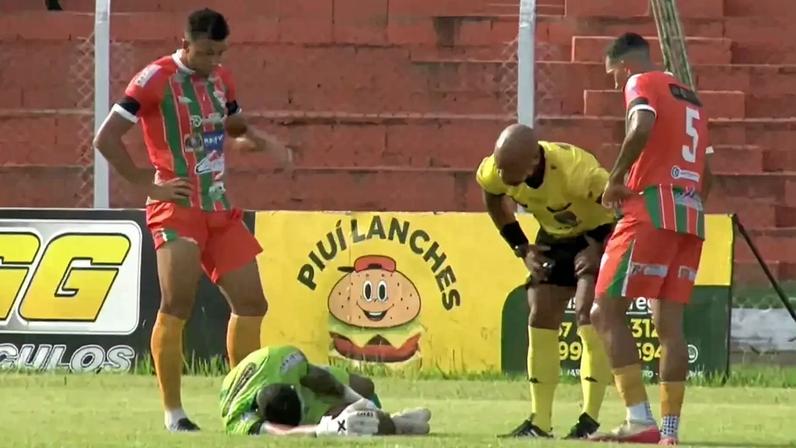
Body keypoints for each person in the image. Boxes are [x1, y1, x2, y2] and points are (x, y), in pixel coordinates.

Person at [93, 9, 292, 432]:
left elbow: (231, 132)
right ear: (184, 44)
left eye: (220, 52)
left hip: (219, 207)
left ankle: (244, 405)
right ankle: (174, 413)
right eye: (205, 52)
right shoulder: (153, 79)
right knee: (177, 304)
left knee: (253, 303)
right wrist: (146, 183)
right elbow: (105, 138)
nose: (212, 60)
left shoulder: (222, 79)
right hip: (177, 208)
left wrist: (261, 141)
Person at [589, 33, 714, 445]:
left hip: (650, 210)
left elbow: (641, 125)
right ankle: (670, 433)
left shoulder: (641, 83)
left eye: (613, 75)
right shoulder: (690, 97)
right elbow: (707, 173)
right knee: (670, 327)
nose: (614, 85)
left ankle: (638, 420)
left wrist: (615, 178)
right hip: (691, 214)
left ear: (625, 66)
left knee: (603, 310)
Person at [476, 124, 614, 439]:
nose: (503, 175)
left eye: (510, 171)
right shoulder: (498, 170)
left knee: (586, 313)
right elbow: (492, 196)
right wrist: (521, 247)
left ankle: (589, 421)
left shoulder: (577, 170)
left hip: (598, 235)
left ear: (532, 163)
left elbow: (625, 208)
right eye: (500, 167)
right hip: (553, 238)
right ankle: (540, 423)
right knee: (540, 314)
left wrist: (599, 250)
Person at [219, 345, 432, 437]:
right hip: (279, 389)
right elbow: (281, 433)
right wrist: (325, 428)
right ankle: (397, 423)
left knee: (366, 386)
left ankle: (375, 409)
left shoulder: (281, 360)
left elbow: (318, 377)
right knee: (356, 422)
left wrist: (355, 398)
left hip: (295, 375)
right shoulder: (237, 419)